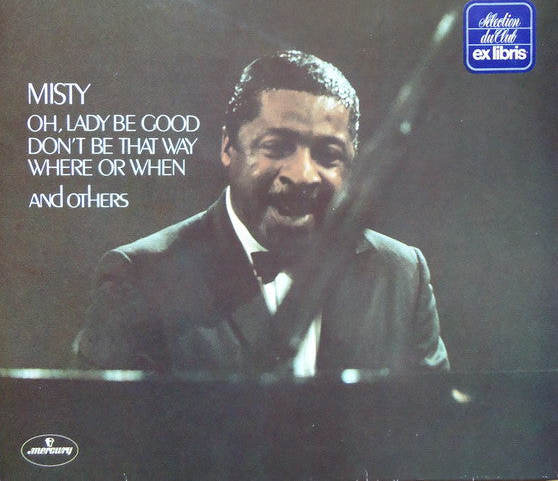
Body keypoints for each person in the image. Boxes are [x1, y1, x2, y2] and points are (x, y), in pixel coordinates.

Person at [75, 50, 449, 376]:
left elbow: (435, 424)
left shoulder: (403, 273)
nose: (303, 175)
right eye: (277, 146)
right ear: (228, 148)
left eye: (328, 155)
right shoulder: (138, 277)